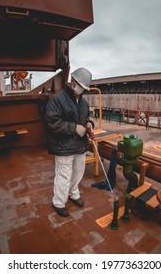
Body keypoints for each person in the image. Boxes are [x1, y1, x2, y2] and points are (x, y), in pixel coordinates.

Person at [45, 67, 94, 217]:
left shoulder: (84, 103)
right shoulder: (57, 100)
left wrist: (89, 124)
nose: (80, 89)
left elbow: (85, 119)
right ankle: (59, 202)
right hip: (63, 145)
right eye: (79, 85)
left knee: (79, 171)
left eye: (83, 87)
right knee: (64, 174)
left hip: (80, 145)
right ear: (72, 81)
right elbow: (52, 122)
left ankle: (73, 193)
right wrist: (73, 128)